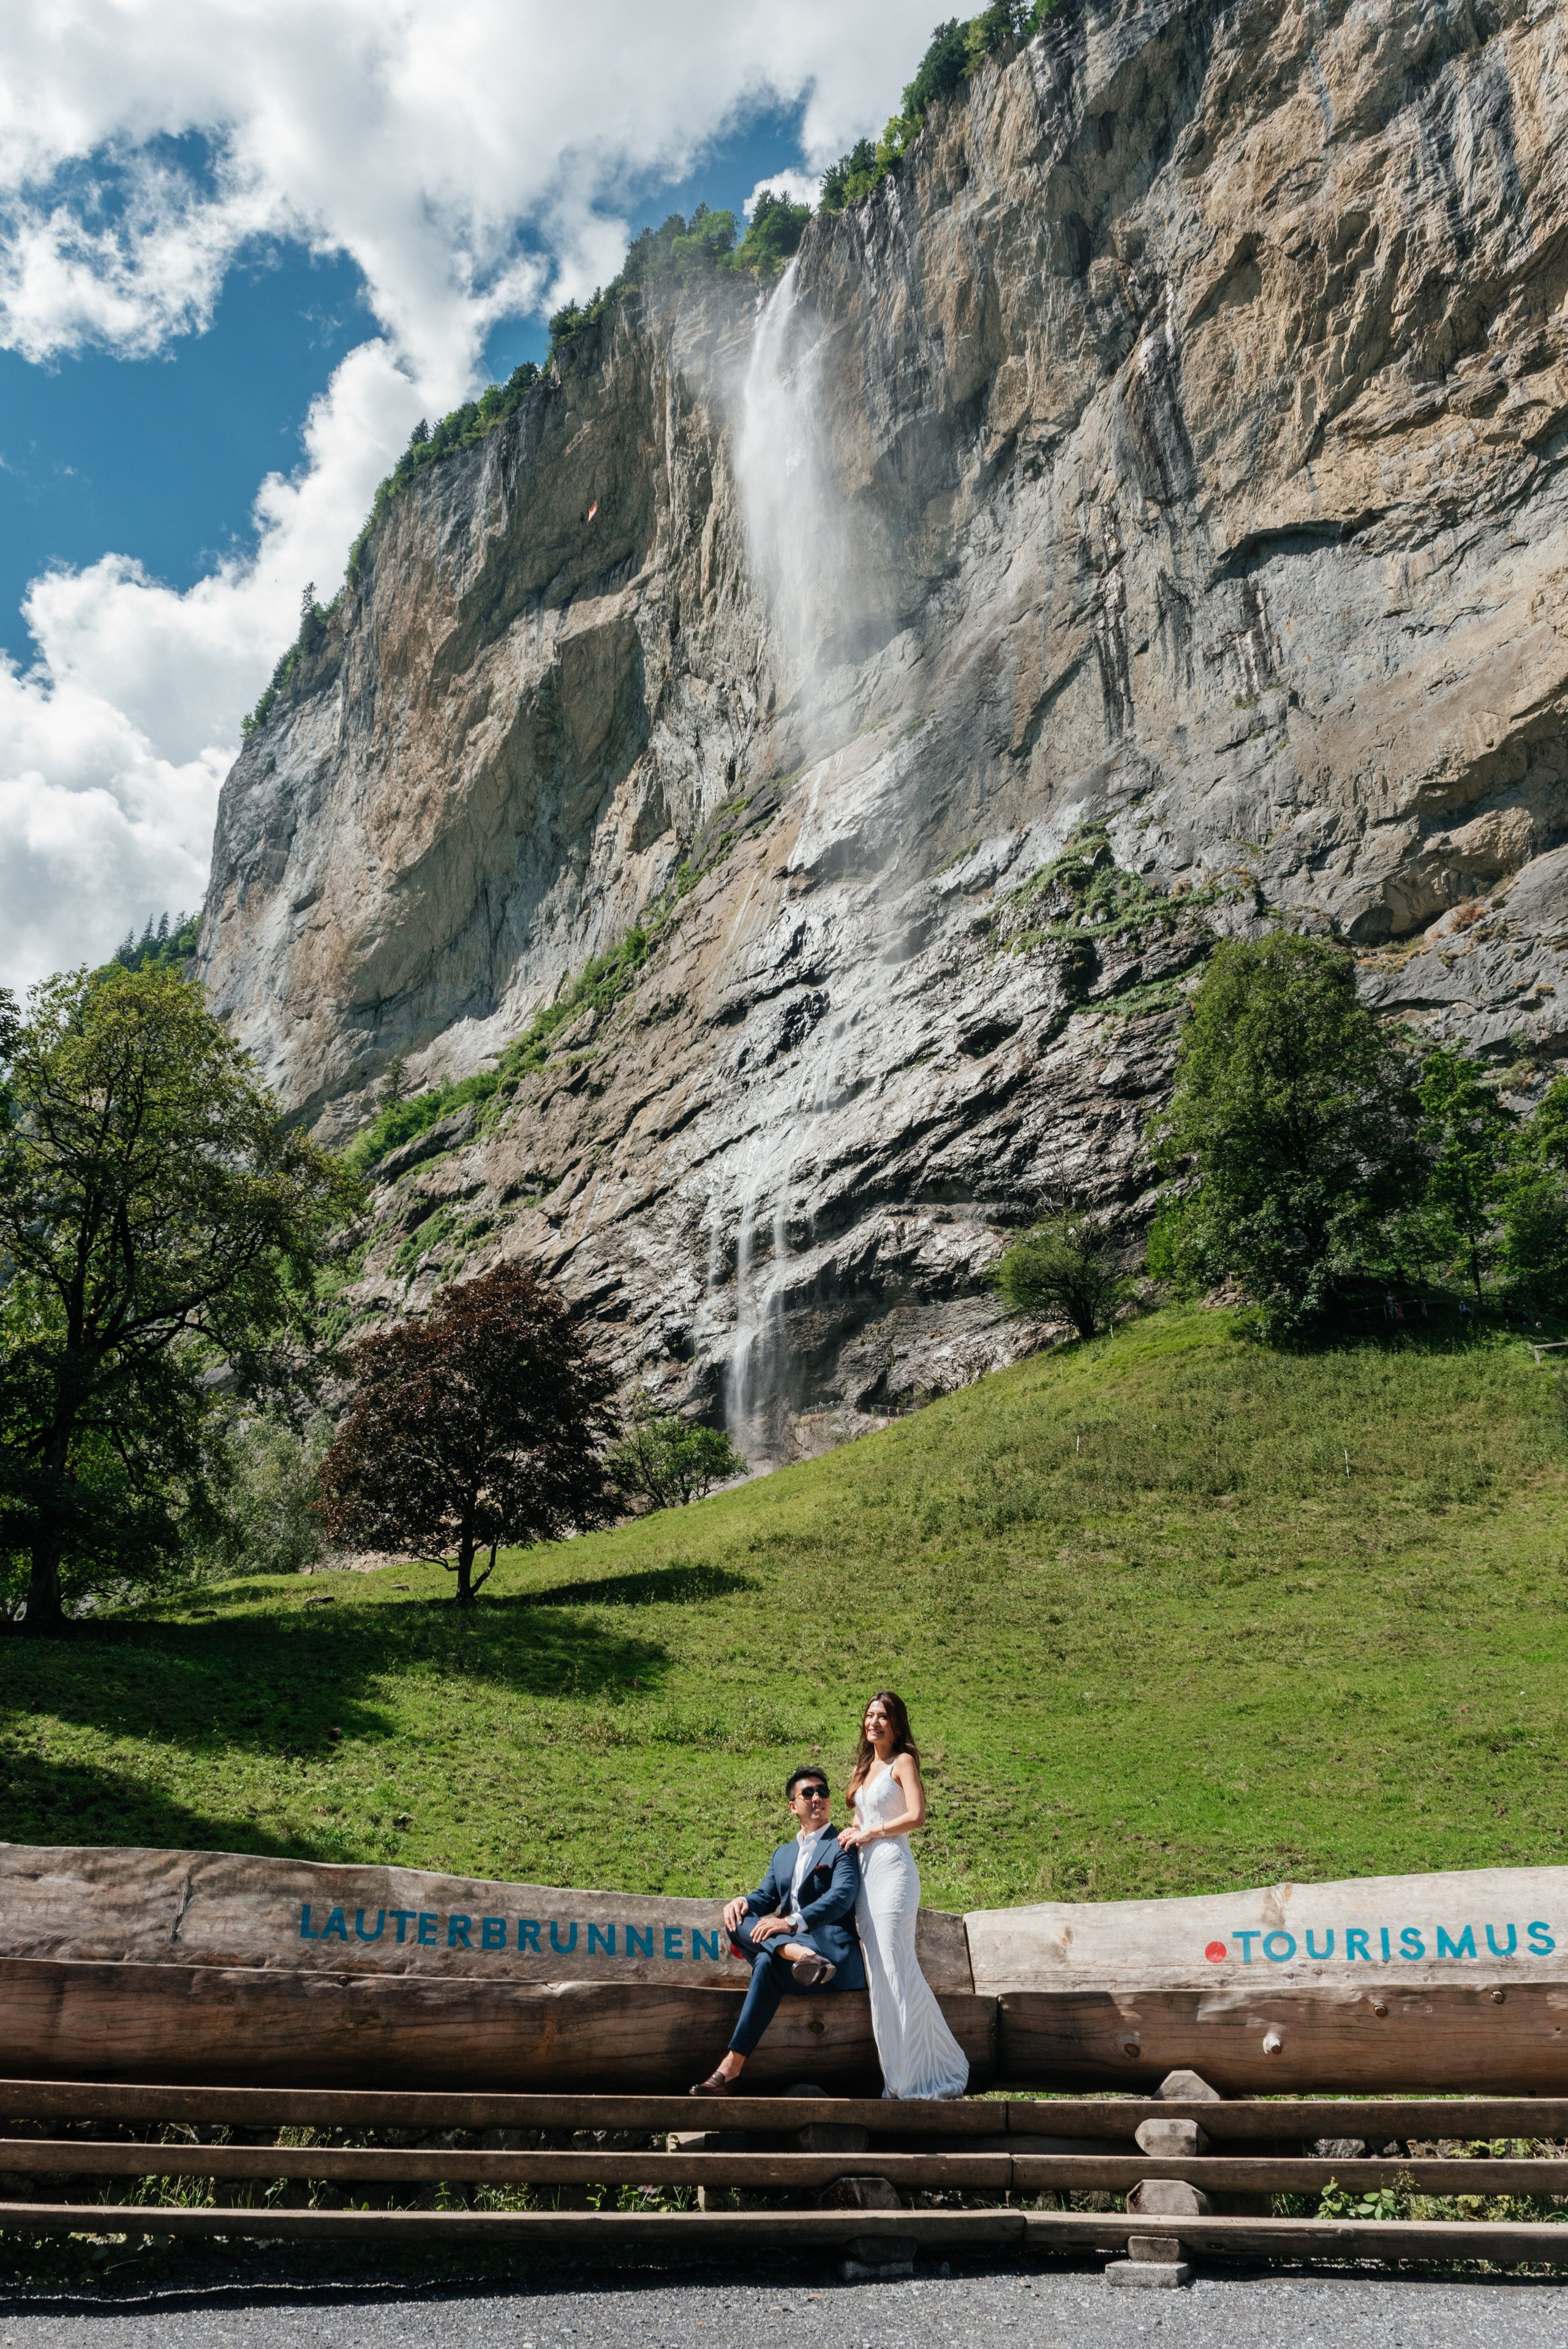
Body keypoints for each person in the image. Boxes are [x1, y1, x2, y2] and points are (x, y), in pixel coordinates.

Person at [688, 1764, 866, 2096]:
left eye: (823, 1792)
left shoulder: (843, 1845)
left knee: (767, 1964)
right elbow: (764, 1897)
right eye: (808, 1793)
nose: (818, 1798)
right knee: (738, 1917)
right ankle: (796, 1953)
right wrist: (742, 1901)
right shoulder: (782, 1854)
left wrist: (790, 1923)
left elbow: (842, 1897)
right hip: (800, 1961)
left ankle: (731, 2068)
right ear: (792, 1806)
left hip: (830, 1958)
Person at [838, 1689, 969, 2100]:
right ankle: (897, 2077)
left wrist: (872, 1832)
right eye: (870, 1715)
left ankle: (938, 2067)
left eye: (883, 1716)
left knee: (897, 1961)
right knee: (879, 1971)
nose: (874, 1722)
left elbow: (917, 1815)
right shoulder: (864, 1768)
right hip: (866, 1874)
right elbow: (861, 1820)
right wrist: (851, 1833)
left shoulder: (903, 1762)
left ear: (896, 1724)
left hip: (893, 1867)